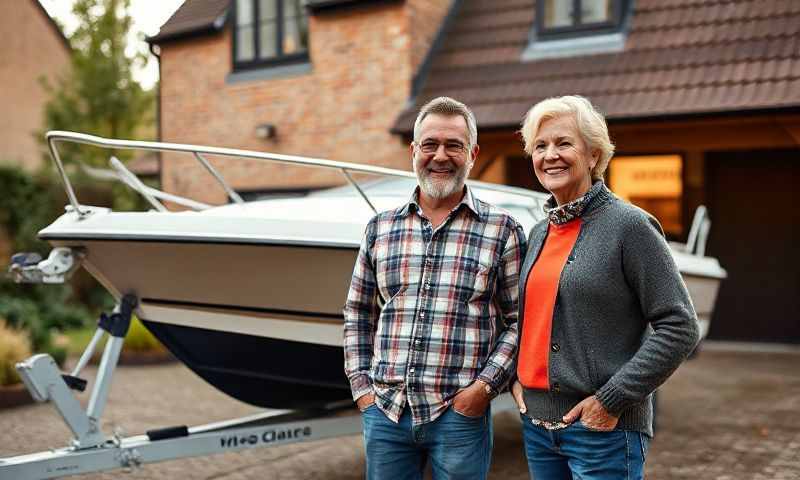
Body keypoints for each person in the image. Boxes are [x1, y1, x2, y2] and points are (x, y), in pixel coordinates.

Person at [510, 95, 699, 479]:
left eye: (564, 143)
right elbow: (532, 320)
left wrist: (610, 401)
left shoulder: (629, 226)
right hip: (539, 429)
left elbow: (680, 326)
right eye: (540, 146)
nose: (550, 155)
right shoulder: (539, 231)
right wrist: (517, 381)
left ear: (594, 155)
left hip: (603, 431)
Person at [343, 96, 526, 480]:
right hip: (386, 412)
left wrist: (483, 390)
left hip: (458, 415)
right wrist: (363, 390)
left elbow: (519, 321)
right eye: (430, 144)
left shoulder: (503, 230)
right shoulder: (380, 228)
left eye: (453, 146)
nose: (440, 155)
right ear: (413, 151)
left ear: (472, 153)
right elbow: (359, 312)